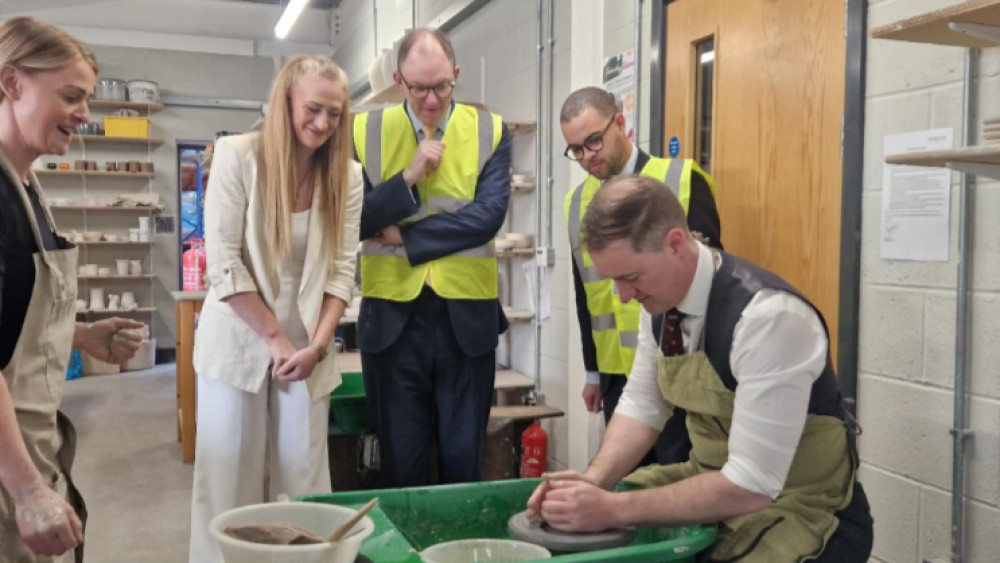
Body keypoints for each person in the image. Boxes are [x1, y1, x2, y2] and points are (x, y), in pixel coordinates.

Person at [528, 175, 873, 562]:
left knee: (620, 512)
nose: (623, 296)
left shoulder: (768, 318)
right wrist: (593, 483)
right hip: (710, 477)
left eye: (631, 277)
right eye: (614, 281)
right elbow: (643, 405)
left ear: (675, 244)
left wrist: (610, 509)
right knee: (595, 512)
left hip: (801, 503)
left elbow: (751, 484)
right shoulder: (658, 304)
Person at [188, 55, 362, 562]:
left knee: (303, 479)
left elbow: (342, 271)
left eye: (334, 114)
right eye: (312, 109)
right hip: (239, 339)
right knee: (228, 480)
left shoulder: (347, 176)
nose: (323, 124)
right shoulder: (237, 155)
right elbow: (224, 264)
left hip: (307, 347)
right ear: (285, 102)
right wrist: (276, 340)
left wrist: (317, 347)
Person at [0, 17, 144, 561]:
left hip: (31, 447)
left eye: (86, 98)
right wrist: (25, 489)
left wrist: (79, 335)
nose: (85, 113)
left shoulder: (28, 185)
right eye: (70, 96)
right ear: (11, 83)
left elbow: (12, 318)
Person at [353, 28, 510, 487]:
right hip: (392, 323)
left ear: (456, 74)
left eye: (442, 86)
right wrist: (408, 175)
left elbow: (487, 217)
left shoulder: (490, 129)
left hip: (467, 321)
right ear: (398, 81)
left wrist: (404, 239)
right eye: (419, 88)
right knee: (402, 465)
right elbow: (354, 219)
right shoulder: (364, 131)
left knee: (464, 462)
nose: (431, 99)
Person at [561, 86, 722, 466]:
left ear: (620, 123)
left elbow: (713, 279)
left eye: (594, 141)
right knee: (628, 481)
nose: (587, 156)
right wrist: (593, 371)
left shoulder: (681, 179)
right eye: (576, 149)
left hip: (679, 365)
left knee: (678, 478)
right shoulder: (576, 202)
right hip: (616, 372)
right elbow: (584, 292)